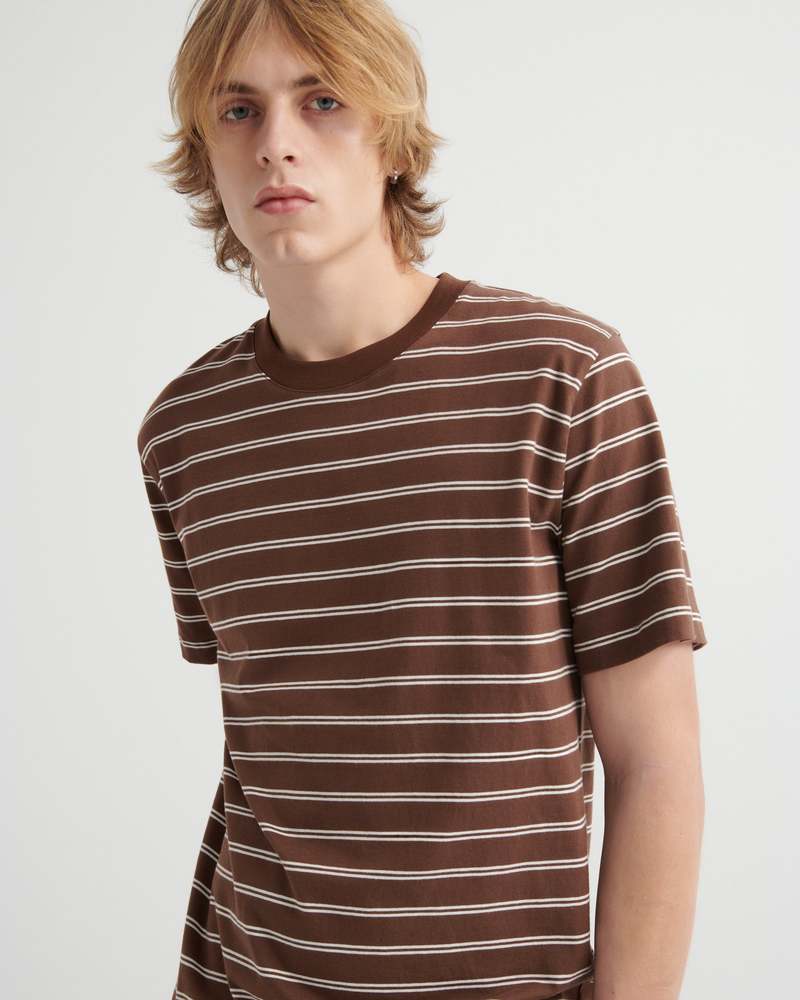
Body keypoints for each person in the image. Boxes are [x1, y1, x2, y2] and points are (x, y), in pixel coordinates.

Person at [136, 2, 708, 998]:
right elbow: (268, 750)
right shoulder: (186, 430)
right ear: (203, 151)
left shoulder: (562, 376)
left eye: (322, 101)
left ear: (393, 137)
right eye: (237, 110)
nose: (276, 144)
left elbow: (655, 760)